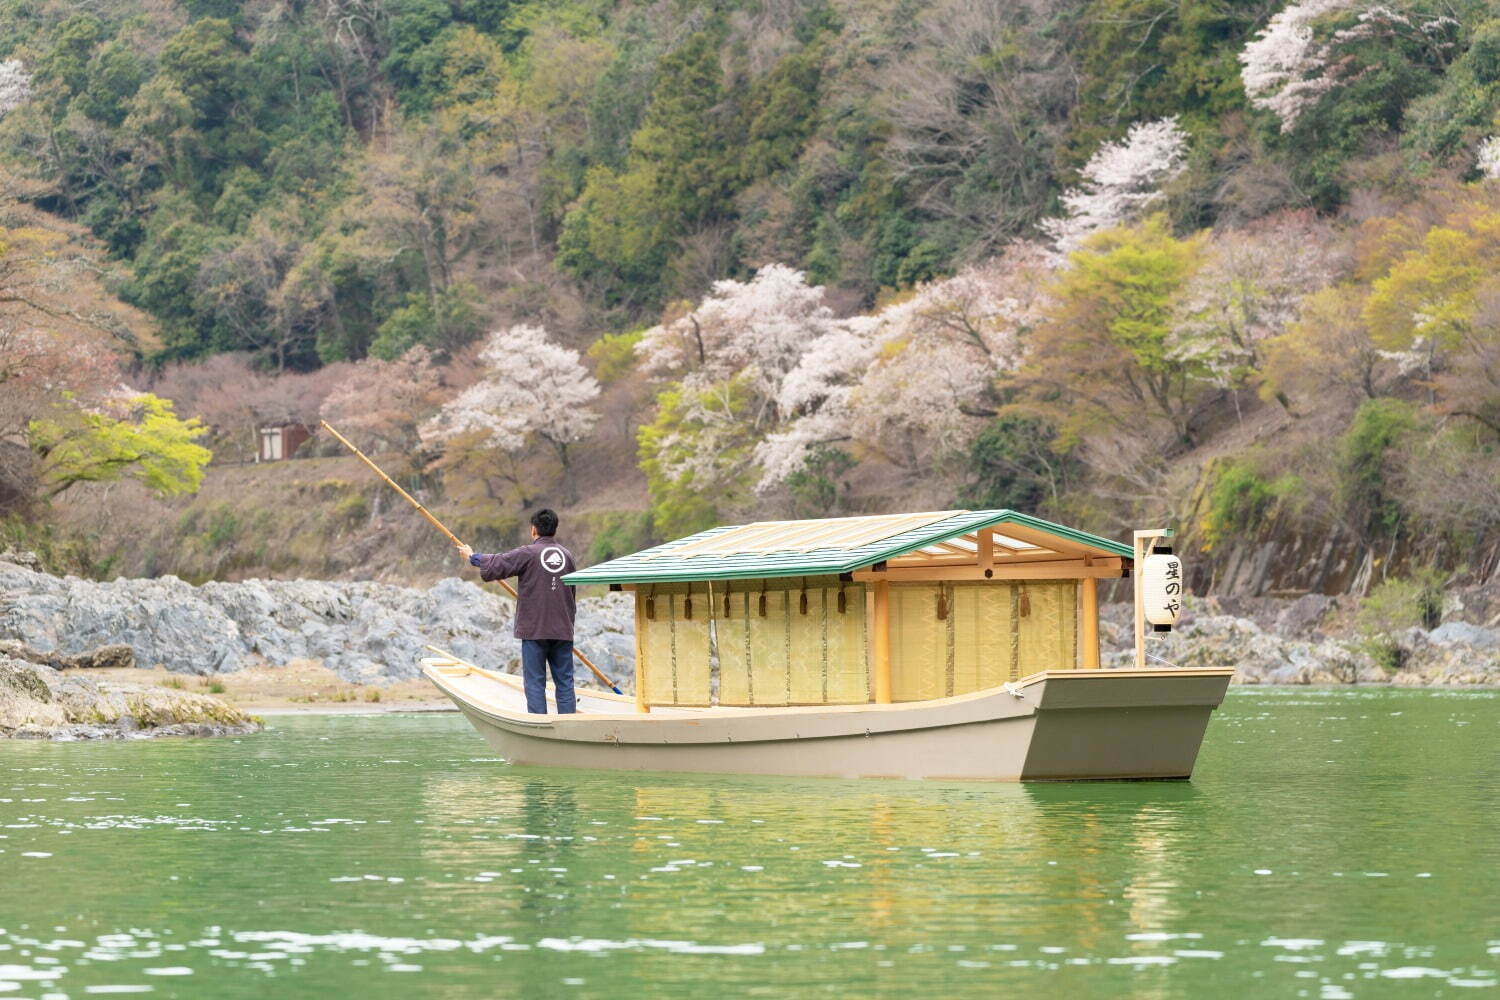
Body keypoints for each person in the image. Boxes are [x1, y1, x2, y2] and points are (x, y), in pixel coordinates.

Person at [457, 509, 578, 714]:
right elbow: (571, 594)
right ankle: (569, 726)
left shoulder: (528, 553)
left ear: (533, 530)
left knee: (534, 683)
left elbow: (498, 563)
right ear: (555, 530)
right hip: (562, 628)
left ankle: (540, 728)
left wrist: (471, 556)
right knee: (565, 682)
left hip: (534, 629)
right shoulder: (567, 556)